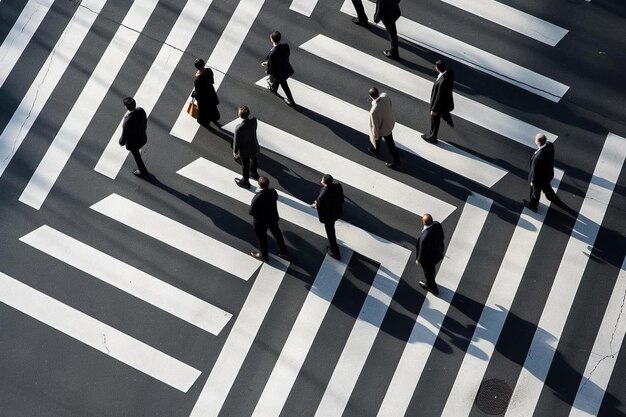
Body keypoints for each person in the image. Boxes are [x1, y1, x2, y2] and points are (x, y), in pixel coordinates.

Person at [249, 176, 289, 262]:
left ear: (259, 185)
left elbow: (251, 212)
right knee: (277, 234)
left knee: (262, 239)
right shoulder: (272, 191)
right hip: (272, 217)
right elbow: (275, 198)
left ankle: (264, 255)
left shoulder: (257, 198)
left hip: (260, 221)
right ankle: (283, 251)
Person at [524, 133, 562, 212]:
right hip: (548, 174)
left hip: (539, 179)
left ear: (538, 142)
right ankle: (554, 199)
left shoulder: (537, 158)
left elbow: (535, 171)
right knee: (547, 187)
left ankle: (533, 206)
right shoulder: (550, 145)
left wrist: (533, 181)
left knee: (535, 192)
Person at [311, 174, 345, 260]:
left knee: (331, 234)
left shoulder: (322, 195)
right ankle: (334, 249)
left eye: (322, 179)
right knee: (331, 231)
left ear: (324, 182)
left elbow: (320, 206)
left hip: (329, 217)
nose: (321, 180)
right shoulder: (337, 186)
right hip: (336, 212)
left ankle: (335, 252)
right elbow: (341, 197)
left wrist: (316, 205)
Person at [421, 60, 455, 144]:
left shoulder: (442, 83)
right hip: (447, 101)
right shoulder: (450, 73)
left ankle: (433, 137)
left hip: (439, 104)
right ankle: (449, 121)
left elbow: (439, 97)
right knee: (445, 112)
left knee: (435, 119)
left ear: (438, 68)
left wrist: (434, 110)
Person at [367, 87, 401, 168]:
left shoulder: (373, 111)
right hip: (390, 121)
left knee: (390, 143)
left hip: (384, 128)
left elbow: (375, 126)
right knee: (381, 139)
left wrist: (375, 134)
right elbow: (390, 104)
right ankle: (376, 150)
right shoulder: (385, 96)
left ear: (370, 96)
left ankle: (396, 160)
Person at [262, 31, 296, 107]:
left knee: (284, 85)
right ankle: (274, 89)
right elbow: (286, 55)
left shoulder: (272, 54)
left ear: (272, 39)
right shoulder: (285, 46)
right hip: (285, 68)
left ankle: (291, 102)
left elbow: (271, 69)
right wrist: (269, 63)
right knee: (281, 83)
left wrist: (267, 65)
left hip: (278, 73)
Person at [119, 97, 149, 179]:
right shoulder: (141, 110)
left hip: (133, 143)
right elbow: (145, 121)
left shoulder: (127, 120)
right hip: (142, 137)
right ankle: (143, 171)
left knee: (137, 157)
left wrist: (121, 142)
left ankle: (143, 172)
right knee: (137, 155)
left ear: (126, 107)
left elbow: (124, 134)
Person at [415, 213, 445, 295]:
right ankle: (431, 281)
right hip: (437, 254)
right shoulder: (437, 224)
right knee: (432, 270)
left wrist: (419, 260)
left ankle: (432, 287)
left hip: (429, 260)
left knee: (428, 272)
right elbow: (442, 236)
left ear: (424, 222)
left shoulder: (425, 236)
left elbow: (422, 250)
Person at [233, 105, 260, 189]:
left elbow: (236, 142)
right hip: (254, 145)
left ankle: (245, 181)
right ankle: (254, 173)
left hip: (245, 151)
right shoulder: (254, 121)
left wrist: (235, 152)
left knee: (245, 166)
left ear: (240, 115)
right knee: (254, 160)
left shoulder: (239, 128)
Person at [192, 58, 220, 128]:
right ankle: (214, 117)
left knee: (203, 111)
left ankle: (205, 121)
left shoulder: (197, 80)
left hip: (203, 98)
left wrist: (195, 95)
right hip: (210, 93)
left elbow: (198, 92)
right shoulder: (209, 71)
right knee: (212, 106)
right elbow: (212, 81)